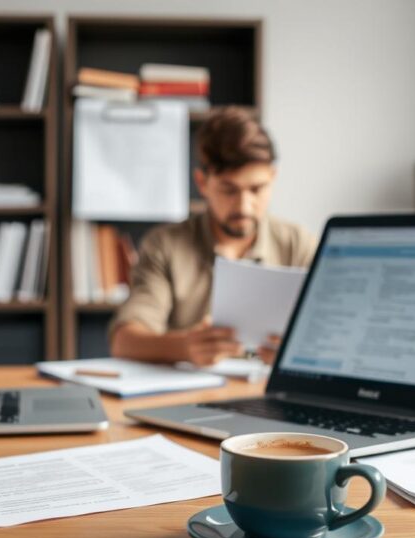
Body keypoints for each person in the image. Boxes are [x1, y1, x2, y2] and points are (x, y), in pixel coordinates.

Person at [109, 106, 318, 367]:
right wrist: (185, 347)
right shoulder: (165, 245)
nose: (244, 206)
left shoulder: (298, 244)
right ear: (202, 183)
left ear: (272, 178)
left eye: (257, 189)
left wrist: (301, 353)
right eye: (229, 190)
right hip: (192, 398)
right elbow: (124, 341)